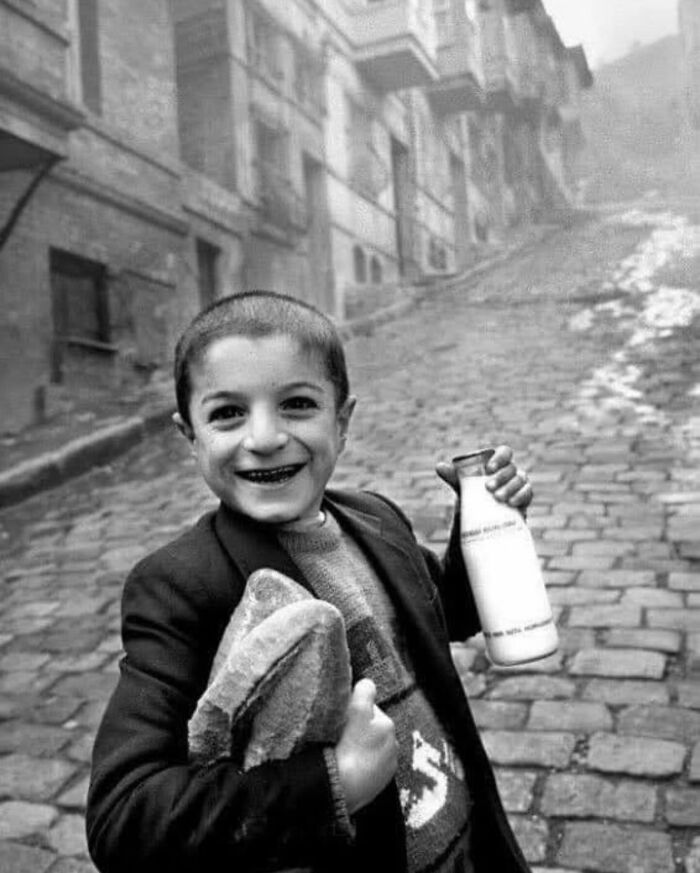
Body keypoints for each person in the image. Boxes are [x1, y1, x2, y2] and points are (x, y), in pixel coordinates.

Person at [86, 290, 535, 873]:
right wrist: (333, 785)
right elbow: (123, 818)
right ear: (189, 436)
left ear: (342, 421)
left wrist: (483, 525)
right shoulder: (181, 586)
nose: (266, 436)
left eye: (297, 404)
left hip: (470, 845)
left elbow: (443, 613)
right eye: (227, 413)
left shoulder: (378, 518)